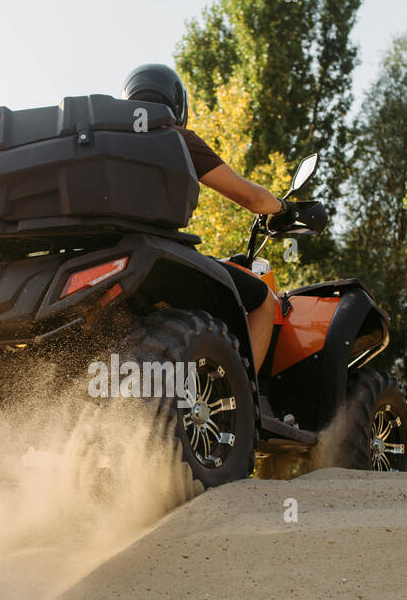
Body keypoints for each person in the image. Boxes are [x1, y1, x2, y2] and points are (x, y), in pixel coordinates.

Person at [120, 63, 297, 376]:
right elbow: (251, 198)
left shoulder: (104, 142)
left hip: (110, 260)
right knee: (260, 299)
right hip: (161, 259)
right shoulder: (174, 137)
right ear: (177, 105)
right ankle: (244, 396)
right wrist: (282, 208)